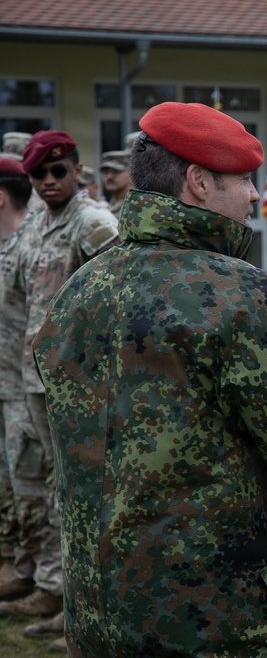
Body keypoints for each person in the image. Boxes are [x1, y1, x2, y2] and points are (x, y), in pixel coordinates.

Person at [30, 101, 267, 657]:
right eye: (245, 180)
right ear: (200, 182)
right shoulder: (238, 297)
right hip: (208, 621)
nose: (257, 197)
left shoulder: (79, 292)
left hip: (98, 618)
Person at [0, 131, 120, 631]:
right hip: (34, 382)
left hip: (80, 385)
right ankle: (68, 600)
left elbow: (121, 295)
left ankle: (97, 610)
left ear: (76, 171)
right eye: (39, 175)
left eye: (58, 171)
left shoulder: (93, 224)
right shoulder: (35, 226)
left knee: (86, 495)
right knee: (54, 496)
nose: (49, 181)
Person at [0, 158, 32, 598]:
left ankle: (42, 578)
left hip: (27, 387)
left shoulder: (31, 243)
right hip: (7, 384)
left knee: (32, 484)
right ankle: (17, 565)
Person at [99, 149, 131, 217]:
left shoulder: (135, 206)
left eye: (115, 171)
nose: (109, 177)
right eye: (106, 172)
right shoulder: (105, 206)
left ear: (131, 173)